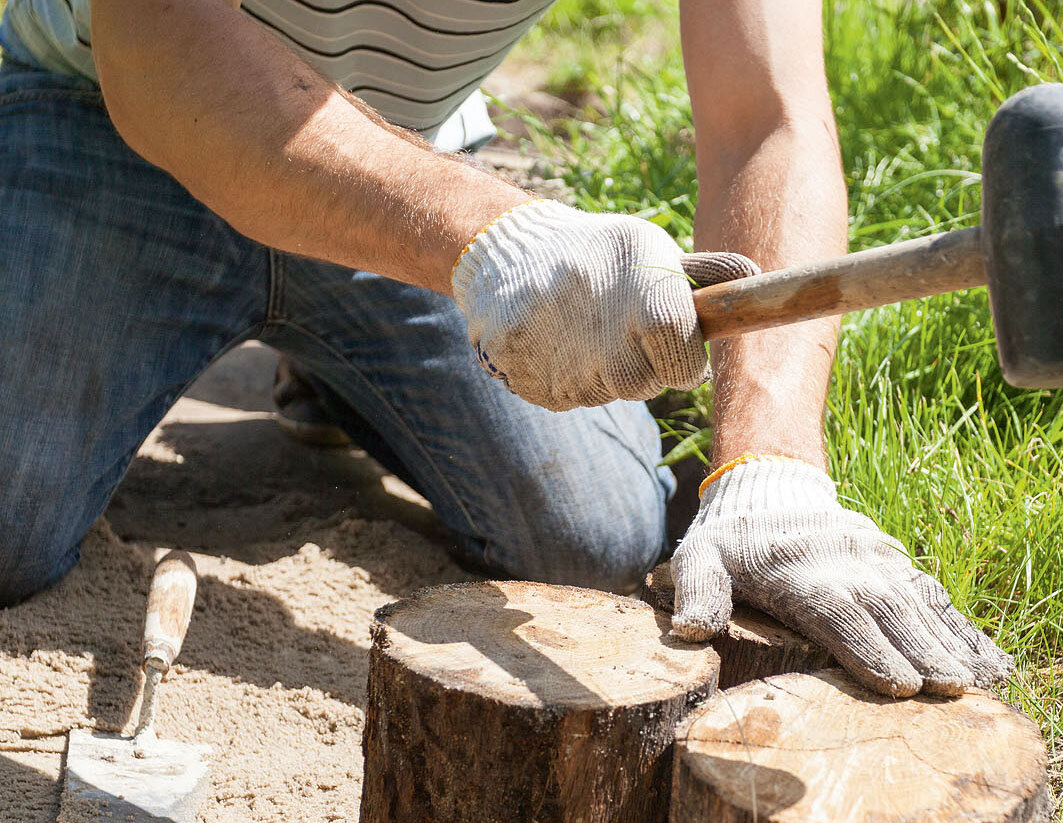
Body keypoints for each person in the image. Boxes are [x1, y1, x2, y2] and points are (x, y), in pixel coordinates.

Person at [0, 0, 1011, 698]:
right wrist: (493, 241)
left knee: (594, 540)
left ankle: (335, 364)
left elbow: (767, 119)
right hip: (102, 117)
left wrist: (769, 463)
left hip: (398, 153)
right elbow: (163, 46)